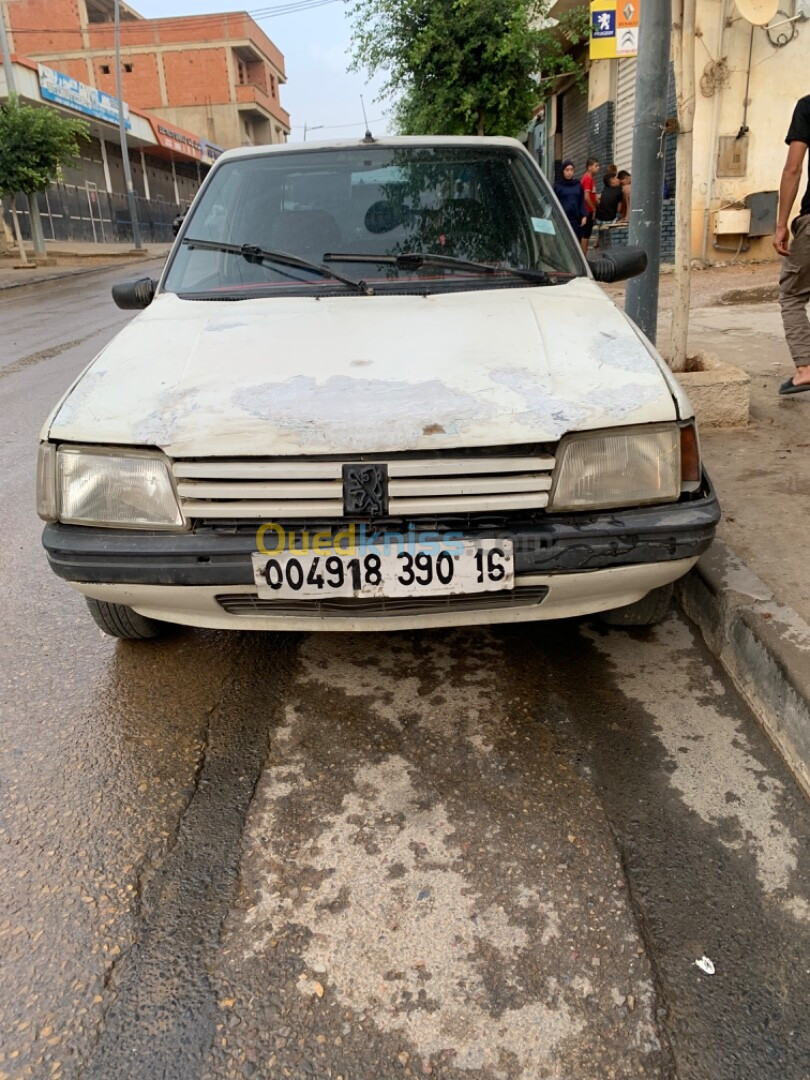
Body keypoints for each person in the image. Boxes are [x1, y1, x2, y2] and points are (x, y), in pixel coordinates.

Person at [773, 94, 810, 395]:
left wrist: (781, 223)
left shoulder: (808, 106)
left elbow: (793, 169)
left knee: (792, 293)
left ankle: (806, 368)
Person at [553, 160, 587, 241]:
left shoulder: (578, 185)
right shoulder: (558, 186)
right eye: (567, 170)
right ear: (563, 171)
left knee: (576, 241)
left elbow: (581, 201)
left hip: (576, 220)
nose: (569, 172)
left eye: (571, 170)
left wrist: (584, 216)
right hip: (562, 220)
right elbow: (554, 203)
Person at [579, 157, 600, 254]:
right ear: (589, 167)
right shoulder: (587, 179)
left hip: (589, 209)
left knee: (587, 234)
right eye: (596, 166)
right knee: (585, 235)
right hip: (587, 210)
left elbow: (593, 195)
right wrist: (593, 209)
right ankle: (583, 255)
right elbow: (586, 197)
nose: (598, 168)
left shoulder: (591, 179)